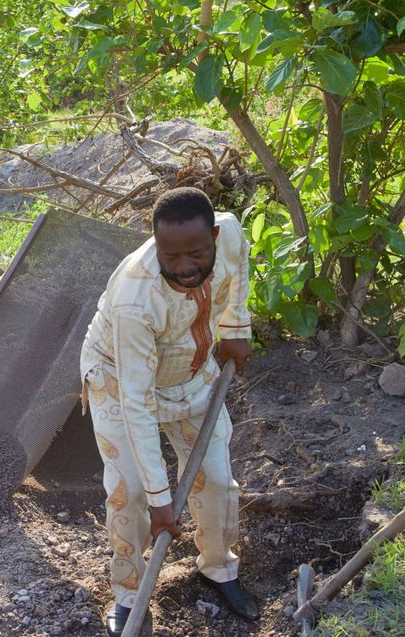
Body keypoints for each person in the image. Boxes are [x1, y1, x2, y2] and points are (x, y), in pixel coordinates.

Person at [79, 187, 259, 636]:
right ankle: (128, 593)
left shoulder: (231, 232)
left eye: (196, 253)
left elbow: (238, 273)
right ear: (154, 243)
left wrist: (237, 326)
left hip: (193, 370)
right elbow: (138, 406)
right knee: (132, 491)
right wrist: (162, 502)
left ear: (214, 236)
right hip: (121, 380)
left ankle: (218, 568)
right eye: (170, 255)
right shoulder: (134, 301)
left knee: (216, 479)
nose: (183, 266)